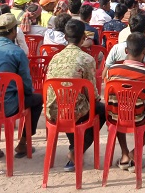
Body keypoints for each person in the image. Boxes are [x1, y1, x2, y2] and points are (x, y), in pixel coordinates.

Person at [0, 14, 42, 158]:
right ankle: (23, 143)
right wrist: (28, 93)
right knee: (38, 99)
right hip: (9, 106)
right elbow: (26, 83)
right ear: (13, 31)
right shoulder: (17, 52)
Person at [45, 19, 106, 171]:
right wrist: (97, 101)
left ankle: (75, 148)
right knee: (102, 110)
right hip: (75, 111)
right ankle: (77, 149)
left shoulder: (55, 58)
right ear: (84, 37)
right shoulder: (87, 59)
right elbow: (91, 92)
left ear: (65, 37)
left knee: (69, 107)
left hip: (53, 110)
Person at [105, 32, 145, 171]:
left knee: (118, 106)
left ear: (126, 51)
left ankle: (125, 153)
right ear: (144, 52)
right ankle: (135, 151)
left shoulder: (112, 71)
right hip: (140, 118)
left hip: (115, 116)